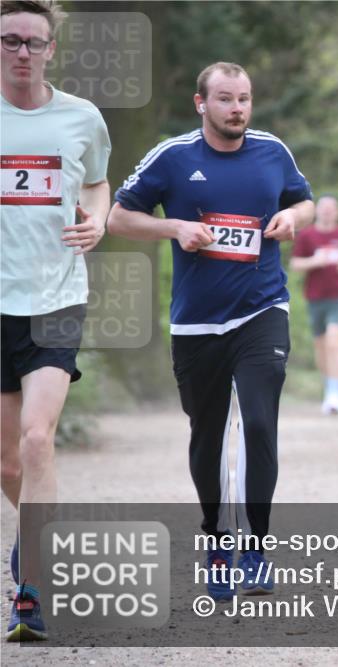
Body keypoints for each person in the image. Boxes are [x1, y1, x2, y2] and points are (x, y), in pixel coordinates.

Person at [107, 62, 314, 602]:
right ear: (202, 104)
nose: (237, 109)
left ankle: (256, 549)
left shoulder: (273, 150)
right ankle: (217, 538)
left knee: (261, 426)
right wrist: (173, 227)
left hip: (262, 309)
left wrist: (295, 220)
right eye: (225, 99)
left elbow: (304, 200)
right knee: (208, 433)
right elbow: (118, 218)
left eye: (244, 98)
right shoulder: (172, 157)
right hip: (196, 320)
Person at [1, 0, 111, 641]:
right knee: (8, 466)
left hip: (55, 299)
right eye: (9, 41)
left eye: (31, 42)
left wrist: (95, 218)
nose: (20, 52)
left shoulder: (81, 118)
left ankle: (31, 591)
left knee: (37, 441)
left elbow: (97, 183)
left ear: (50, 49)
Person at [290, 195, 338, 414]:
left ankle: (335, 394)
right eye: (323, 208)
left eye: (332, 209)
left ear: (337, 212)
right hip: (315, 297)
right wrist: (315, 261)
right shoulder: (307, 235)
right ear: (317, 212)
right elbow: (295, 264)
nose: (327, 212)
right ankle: (328, 387)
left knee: (334, 341)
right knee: (321, 346)